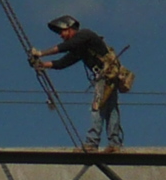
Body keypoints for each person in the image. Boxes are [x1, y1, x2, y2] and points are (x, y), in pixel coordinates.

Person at [29, 15, 132, 152]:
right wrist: (42, 65)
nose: (61, 35)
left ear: (70, 28)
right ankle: (114, 143)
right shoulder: (81, 48)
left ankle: (92, 143)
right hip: (108, 76)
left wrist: (41, 53)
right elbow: (63, 62)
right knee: (111, 109)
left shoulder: (85, 35)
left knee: (97, 108)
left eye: (62, 31)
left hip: (105, 76)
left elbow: (66, 46)